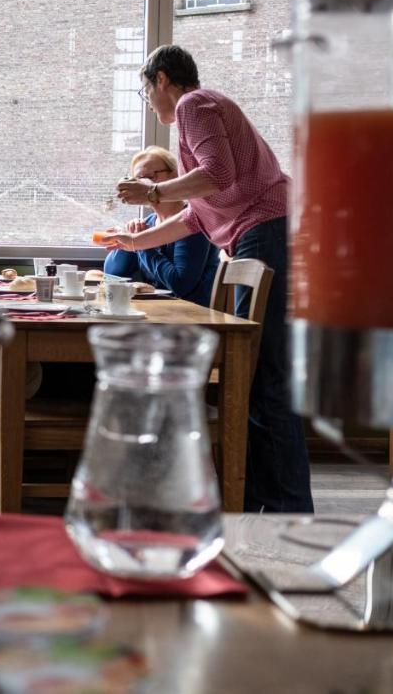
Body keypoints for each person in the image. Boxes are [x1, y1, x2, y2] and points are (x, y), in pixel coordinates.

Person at [101, 44, 312, 513]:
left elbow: (217, 174)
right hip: (258, 233)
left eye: (147, 91)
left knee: (267, 377)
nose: (152, 104)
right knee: (259, 376)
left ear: (160, 80)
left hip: (265, 231)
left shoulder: (193, 105)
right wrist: (136, 243)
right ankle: (264, 499)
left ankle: (288, 510)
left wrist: (153, 190)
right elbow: (198, 213)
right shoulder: (200, 114)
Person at [101, 146, 218, 307]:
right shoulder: (148, 223)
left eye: (150, 176)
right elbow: (113, 274)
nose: (143, 184)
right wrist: (125, 242)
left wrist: (141, 244)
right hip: (156, 312)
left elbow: (180, 285)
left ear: (176, 176)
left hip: (189, 318)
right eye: (138, 179)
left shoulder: (190, 222)